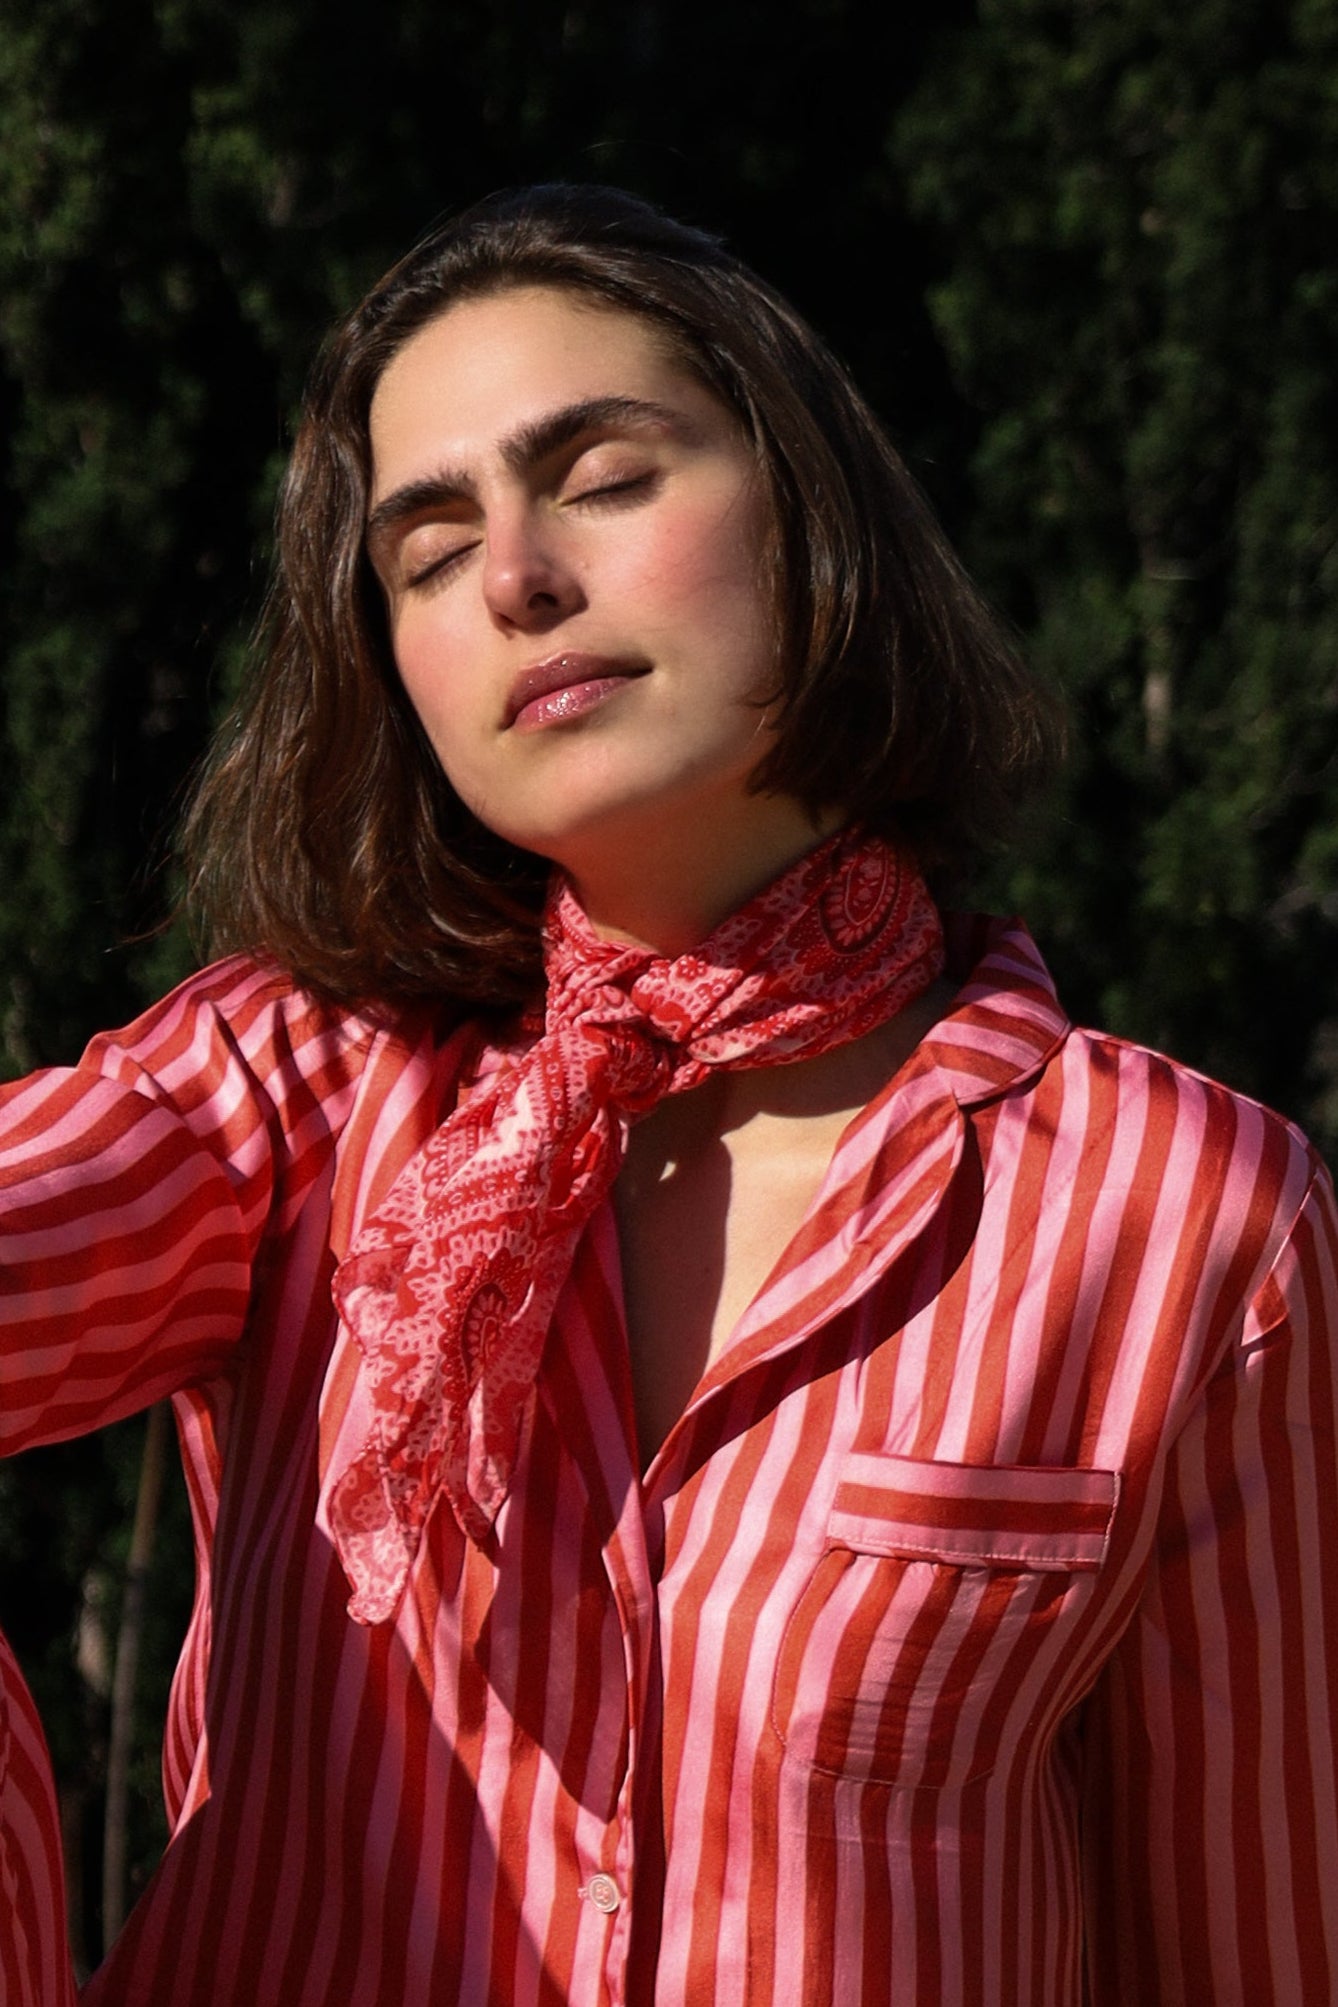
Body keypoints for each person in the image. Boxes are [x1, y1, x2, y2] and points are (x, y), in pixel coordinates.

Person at [1, 184, 1335, 2007]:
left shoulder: (1179, 1209)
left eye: (606, 478)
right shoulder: (280, 1098)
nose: (515, 578)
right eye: (426, 553)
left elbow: (1242, 1943)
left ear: (810, 507)